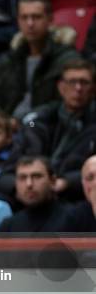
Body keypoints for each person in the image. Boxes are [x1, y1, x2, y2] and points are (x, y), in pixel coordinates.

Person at [0, 0, 79, 123]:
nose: (30, 23)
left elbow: (63, 104)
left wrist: (28, 119)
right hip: (4, 128)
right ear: (18, 21)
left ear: (50, 19)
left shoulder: (66, 59)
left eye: (36, 17)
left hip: (39, 126)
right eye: (24, 17)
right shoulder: (12, 57)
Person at [9, 59, 96, 201]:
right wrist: (25, 185)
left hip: (75, 196)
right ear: (61, 86)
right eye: (72, 82)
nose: (78, 88)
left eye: (84, 82)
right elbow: (6, 173)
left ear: (93, 88)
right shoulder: (38, 121)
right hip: (29, 195)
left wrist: (67, 182)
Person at [0, 156, 72, 233]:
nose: (29, 184)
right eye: (22, 178)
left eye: (36, 176)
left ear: (53, 181)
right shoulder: (9, 226)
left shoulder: (73, 219)